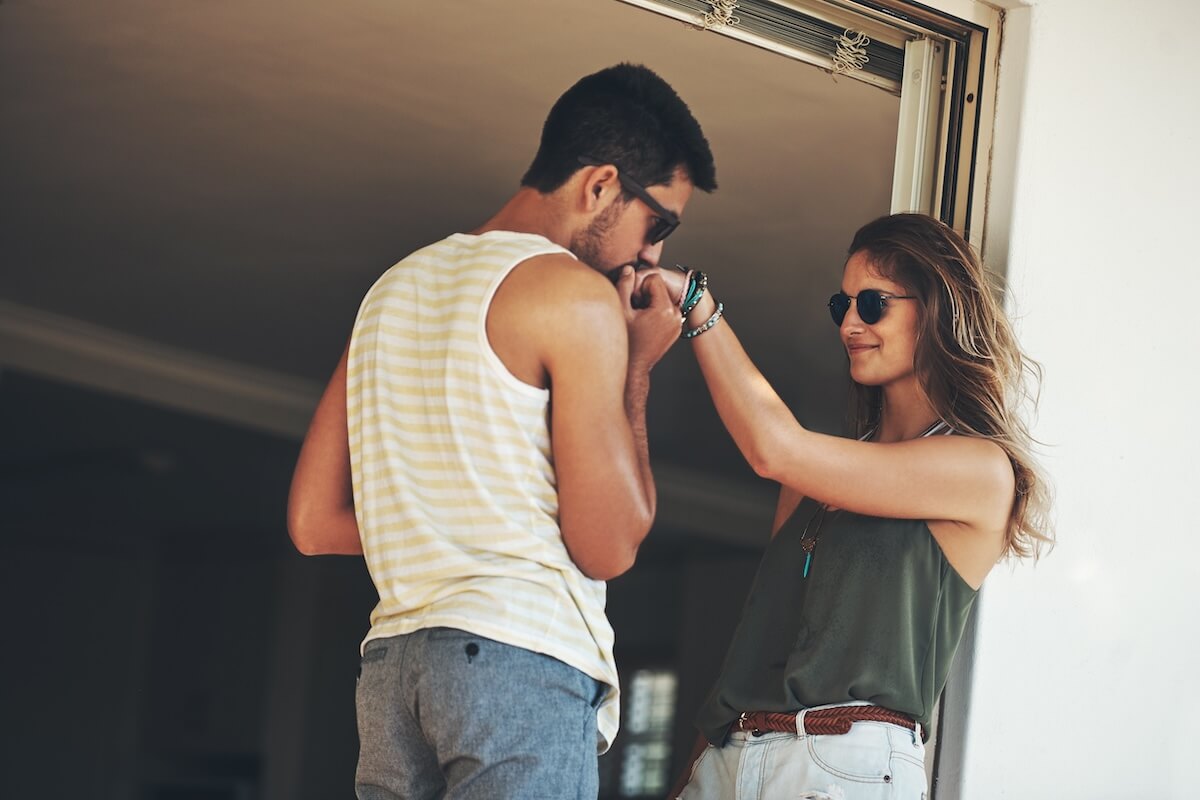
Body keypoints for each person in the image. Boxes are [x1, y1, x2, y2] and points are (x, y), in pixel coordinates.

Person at [286, 63, 716, 799]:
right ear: (601, 186)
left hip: (394, 673)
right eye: (660, 224)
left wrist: (457, 515)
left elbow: (312, 522)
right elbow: (608, 544)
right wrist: (637, 368)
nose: (653, 257)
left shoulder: (391, 290)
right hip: (519, 656)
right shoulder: (574, 298)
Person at [659, 213, 1053, 799]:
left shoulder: (978, 469)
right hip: (730, 758)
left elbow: (774, 449)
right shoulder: (813, 479)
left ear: (937, 308)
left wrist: (697, 304)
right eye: (840, 306)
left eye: (872, 304)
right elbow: (753, 649)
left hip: (845, 765)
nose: (849, 323)